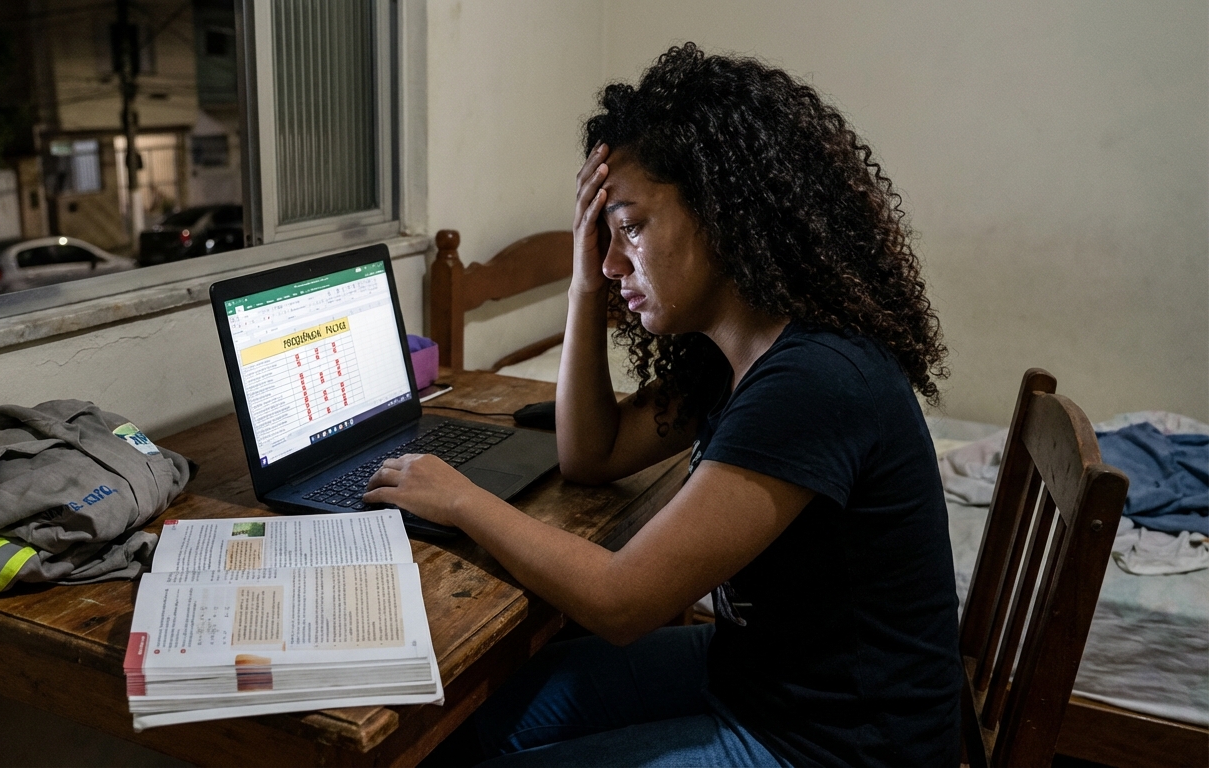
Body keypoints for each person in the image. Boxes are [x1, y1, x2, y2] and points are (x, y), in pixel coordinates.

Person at [366, 43, 960, 767]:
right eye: (606, 236)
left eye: (633, 227)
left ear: (726, 212)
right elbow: (593, 456)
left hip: (835, 744)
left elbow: (624, 603)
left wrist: (459, 499)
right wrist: (586, 283)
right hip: (759, 675)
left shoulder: (815, 379)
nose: (617, 262)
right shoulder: (734, 353)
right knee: (479, 721)